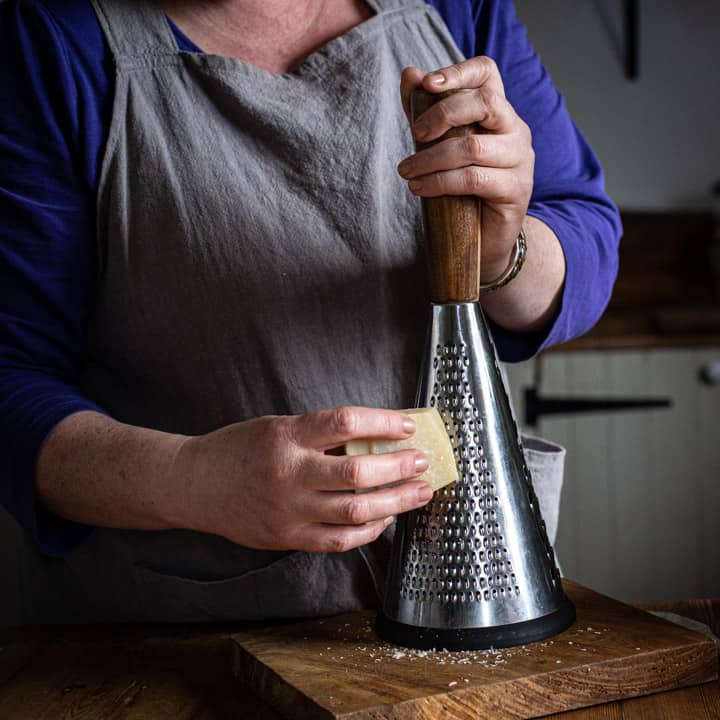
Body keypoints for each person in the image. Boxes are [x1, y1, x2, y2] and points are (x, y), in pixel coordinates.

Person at [0, 0, 621, 622]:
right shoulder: (51, 41)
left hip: (475, 599)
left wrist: (501, 253)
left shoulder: (457, 9)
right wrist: (189, 480)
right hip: (179, 643)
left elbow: (584, 233)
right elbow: (12, 379)